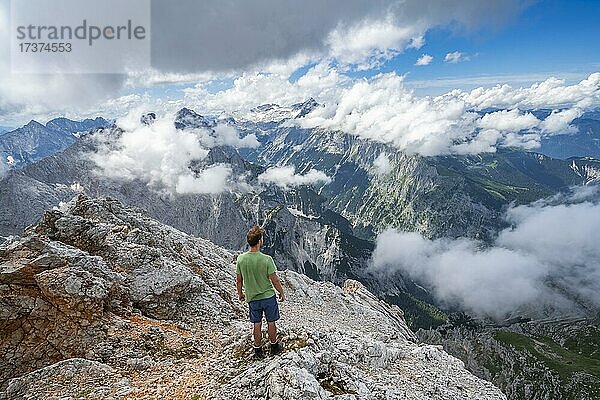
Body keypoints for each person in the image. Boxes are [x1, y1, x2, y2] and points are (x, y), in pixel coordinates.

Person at [236, 226, 285, 357]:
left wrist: (240, 293)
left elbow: (239, 280)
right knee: (271, 322)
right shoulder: (267, 259)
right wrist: (281, 292)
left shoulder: (241, 259)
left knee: (256, 324)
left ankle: (258, 350)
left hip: (252, 298)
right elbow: (275, 280)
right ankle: (274, 346)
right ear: (259, 241)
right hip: (268, 297)